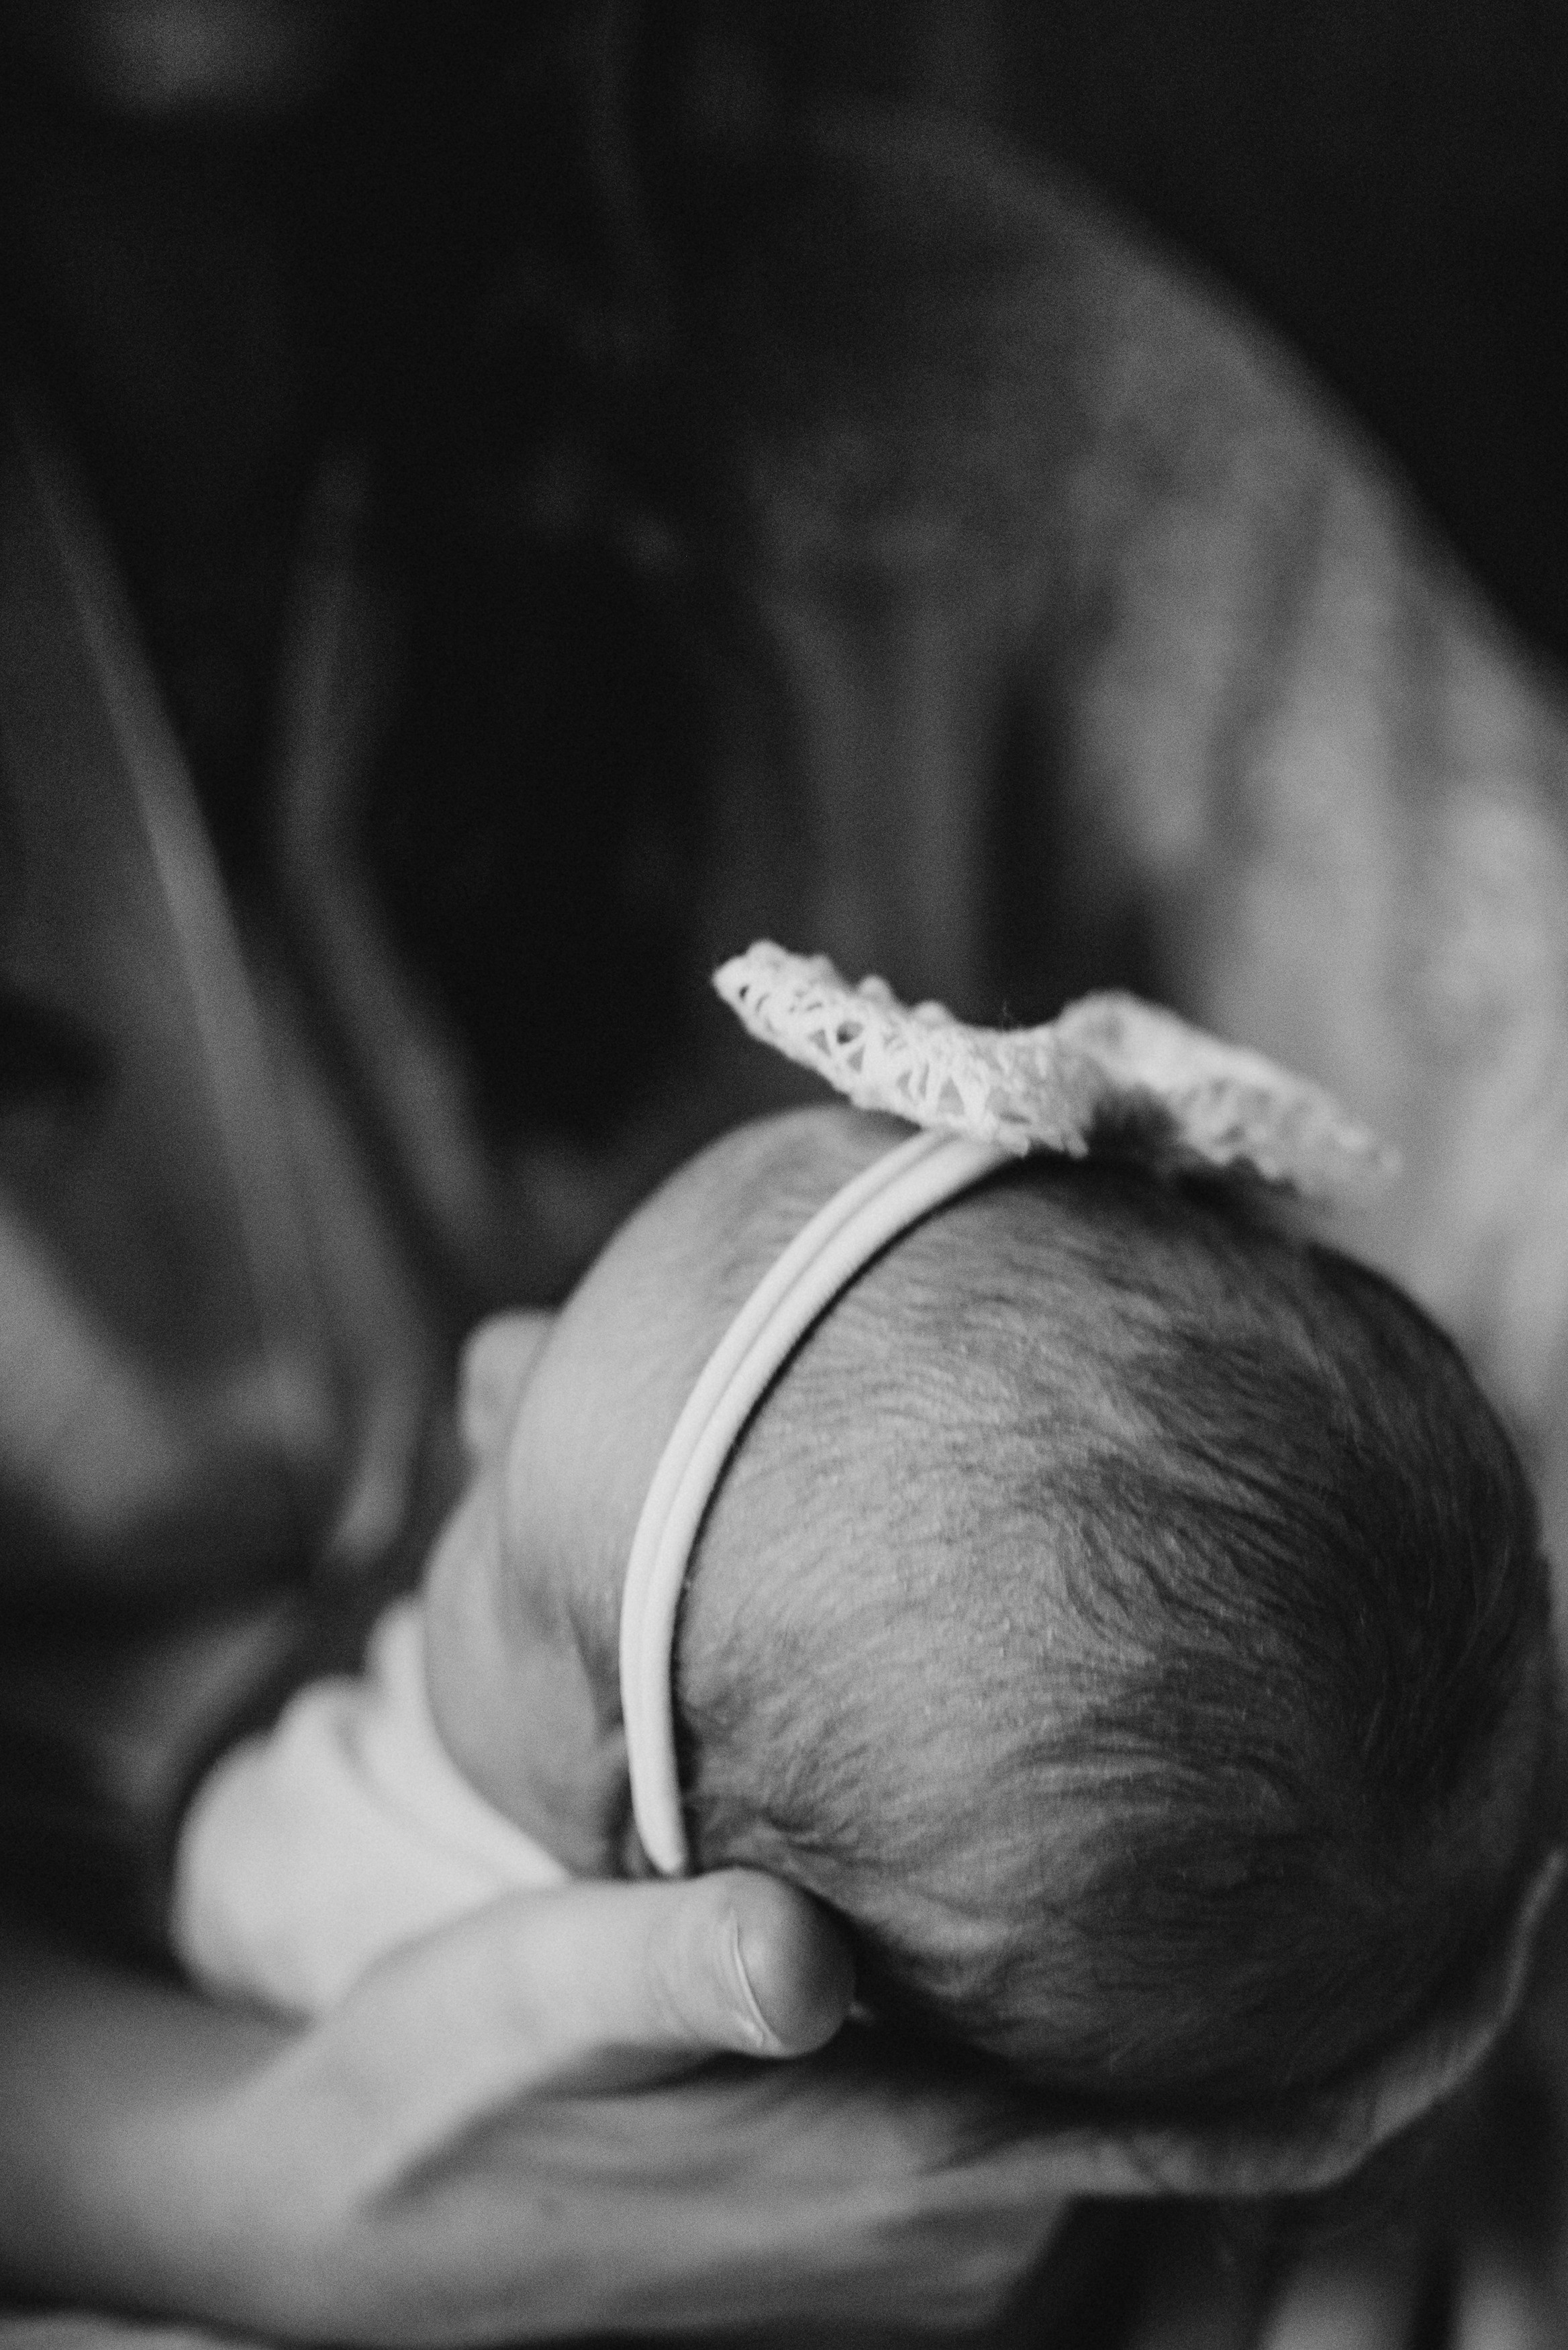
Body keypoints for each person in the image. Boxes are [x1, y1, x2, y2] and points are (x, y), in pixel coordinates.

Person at [173, 958, 1560, 2161]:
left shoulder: (384, 1906)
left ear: (642, 1859)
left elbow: (196, 1871)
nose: (485, 1363)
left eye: (501, 1543)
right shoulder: (604, 1773)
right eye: (577, 1303)